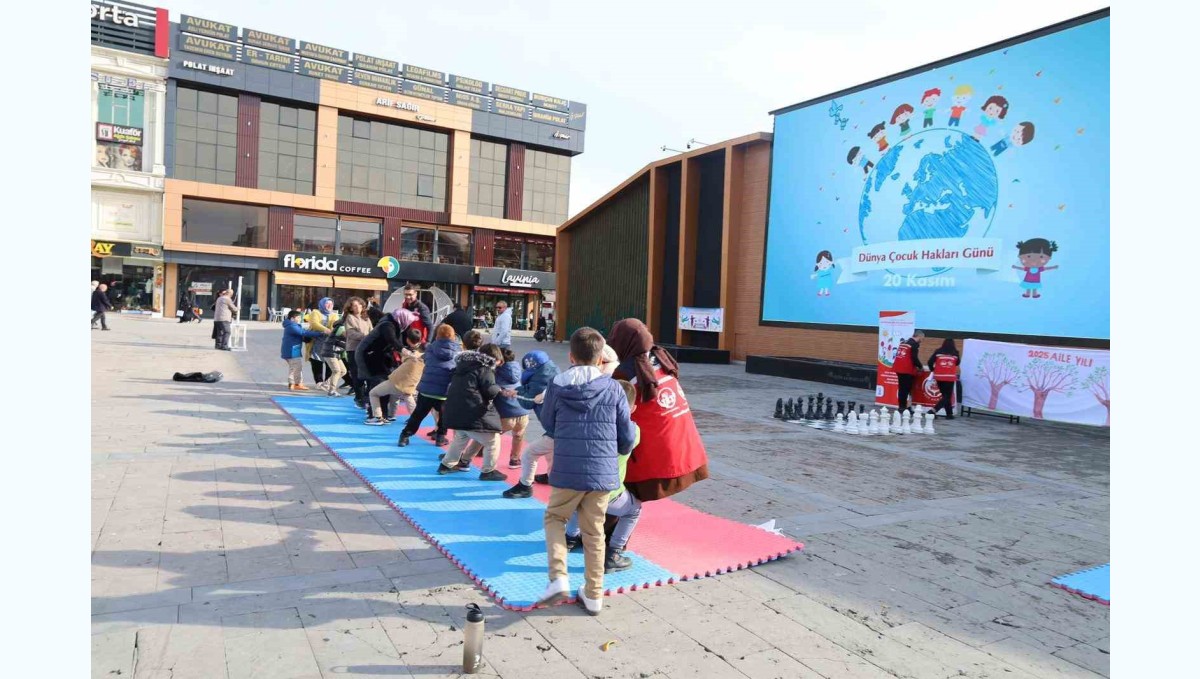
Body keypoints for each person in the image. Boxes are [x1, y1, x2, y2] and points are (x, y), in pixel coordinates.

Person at [534, 327, 637, 616]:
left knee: (555, 517)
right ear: (601, 357)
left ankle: (558, 576)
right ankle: (593, 595)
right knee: (594, 532)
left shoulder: (557, 384)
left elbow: (550, 425)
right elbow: (626, 438)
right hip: (603, 473)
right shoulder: (615, 388)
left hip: (568, 469)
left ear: (571, 356)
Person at [608, 318, 709, 501]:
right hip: (685, 448)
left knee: (621, 493)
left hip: (656, 455)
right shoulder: (662, 357)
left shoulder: (626, 372)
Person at [563, 379, 642, 573]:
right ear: (632, 408)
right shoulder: (633, 431)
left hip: (573, 485)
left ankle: (570, 537)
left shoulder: (586, 422)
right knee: (634, 509)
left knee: (577, 503)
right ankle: (613, 553)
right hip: (606, 491)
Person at [436, 343, 509, 481]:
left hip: (455, 410)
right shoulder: (485, 369)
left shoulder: (464, 365)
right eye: (498, 362)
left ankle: (446, 464)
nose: (497, 366)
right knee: (492, 440)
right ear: (493, 358)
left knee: (462, 435)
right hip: (471, 411)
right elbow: (490, 390)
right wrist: (500, 390)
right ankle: (488, 471)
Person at [501, 350, 561, 499]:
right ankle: (551, 475)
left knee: (529, 454)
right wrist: (518, 390)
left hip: (556, 428)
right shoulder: (552, 372)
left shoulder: (538, 380)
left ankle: (525, 486)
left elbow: (528, 401)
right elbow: (531, 390)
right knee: (550, 452)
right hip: (558, 426)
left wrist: (515, 393)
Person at [462, 348, 528, 469]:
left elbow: (489, 391)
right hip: (523, 411)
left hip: (505, 414)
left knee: (485, 435)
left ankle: (465, 459)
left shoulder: (495, 373)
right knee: (518, 435)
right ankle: (515, 459)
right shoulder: (518, 372)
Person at [397, 323, 460, 448]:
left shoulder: (431, 348)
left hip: (427, 389)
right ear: (453, 336)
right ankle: (440, 437)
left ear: (437, 335)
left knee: (418, 415)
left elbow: (425, 359)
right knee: (444, 417)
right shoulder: (457, 351)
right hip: (444, 391)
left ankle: (405, 436)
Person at [356, 308, 417, 416]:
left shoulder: (394, 324)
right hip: (369, 355)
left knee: (383, 383)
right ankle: (375, 415)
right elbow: (392, 340)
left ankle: (382, 413)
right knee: (378, 383)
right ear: (402, 319)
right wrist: (405, 351)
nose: (408, 324)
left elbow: (397, 341)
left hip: (378, 355)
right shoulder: (387, 325)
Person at [366, 328, 423, 425]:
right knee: (407, 396)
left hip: (396, 381)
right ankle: (413, 419)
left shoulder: (407, 353)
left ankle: (378, 417)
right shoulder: (423, 354)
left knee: (373, 393)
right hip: (411, 382)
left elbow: (401, 352)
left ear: (408, 340)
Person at [280, 310, 329, 390]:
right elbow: (303, 333)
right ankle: (296, 384)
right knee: (296, 367)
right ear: (292, 318)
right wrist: (321, 333)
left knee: (294, 367)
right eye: (298, 317)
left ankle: (294, 383)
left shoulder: (291, 325)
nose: (300, 319)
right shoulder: (292, 326)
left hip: (291, 350)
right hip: (292, 351)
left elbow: (301, 334)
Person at [342, 297, 374, 406]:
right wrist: (365, 336)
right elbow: (351, 333)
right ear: (350, 308)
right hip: (354, 349)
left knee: (368, 374)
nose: (358, 307)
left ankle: (367, 396)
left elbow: (372, 330)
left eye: (359, 305)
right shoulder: (350, 318)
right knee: (356, 374)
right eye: (354, 306)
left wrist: (372, 338)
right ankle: (359, 397)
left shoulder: (366, 317)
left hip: (366, 349)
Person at [304, 298, 339, 390]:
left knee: (329, 363)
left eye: (331, 304)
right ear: (322, 304)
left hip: (329, 343)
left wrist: (331, 330)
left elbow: (336, 325)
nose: (329, 305)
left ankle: (327, 382)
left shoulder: (334, 315)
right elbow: (314, 324)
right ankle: (319, 382)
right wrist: (326, 330)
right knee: (316, 362)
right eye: (327, 304)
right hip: (316, 342)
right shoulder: (315, 312)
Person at [314, 313, 349, 397]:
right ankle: (332, 390)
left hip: (336, 352)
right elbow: (348, 336)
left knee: (343, 371)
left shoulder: (344, 326)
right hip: (330, 351)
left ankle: (326, 384)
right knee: (336, 371)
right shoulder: (342, 327)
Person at [892, 330, 926, 412]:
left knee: (901, 388)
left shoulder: (904, 342)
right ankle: (904, 408)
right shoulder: (914, 344)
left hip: (898, 368)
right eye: (922, 338)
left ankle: (902, 407)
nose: (922, 340)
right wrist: (920, 366)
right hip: (906, 369)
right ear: (919, 336)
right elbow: (914, 358)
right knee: (906, 389)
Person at [928, 338, 960, 419]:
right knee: (947, 396)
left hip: (939, 376)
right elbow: (958, 363)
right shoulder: (955, 353)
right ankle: (933, 410)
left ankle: (949, 414)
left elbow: (930, 362)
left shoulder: (938, 351)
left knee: (945, 396)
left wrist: (933, 369)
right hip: (949, 377)